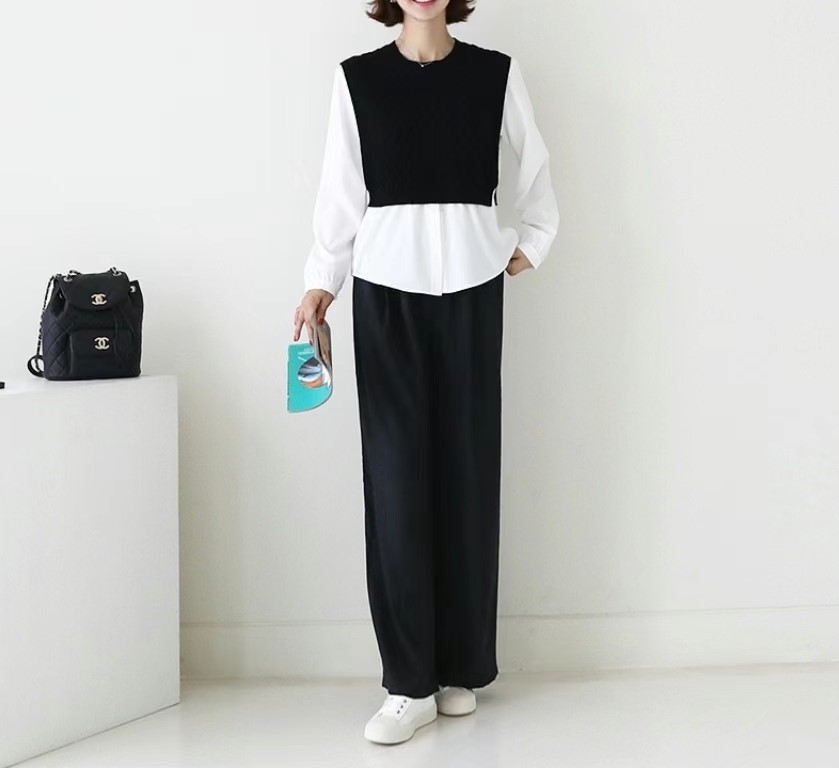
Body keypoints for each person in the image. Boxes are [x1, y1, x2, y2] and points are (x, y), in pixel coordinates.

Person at [292, 0, 559, 745]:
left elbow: (535, 168)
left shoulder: (495, 74)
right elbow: (340, 191)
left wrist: (534, 241)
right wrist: (320, 282)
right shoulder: (357, 79)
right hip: (385, 291)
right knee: (398, 479)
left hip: (474, 287)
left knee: (468, 472)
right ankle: (407, 682)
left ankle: (460, 668)